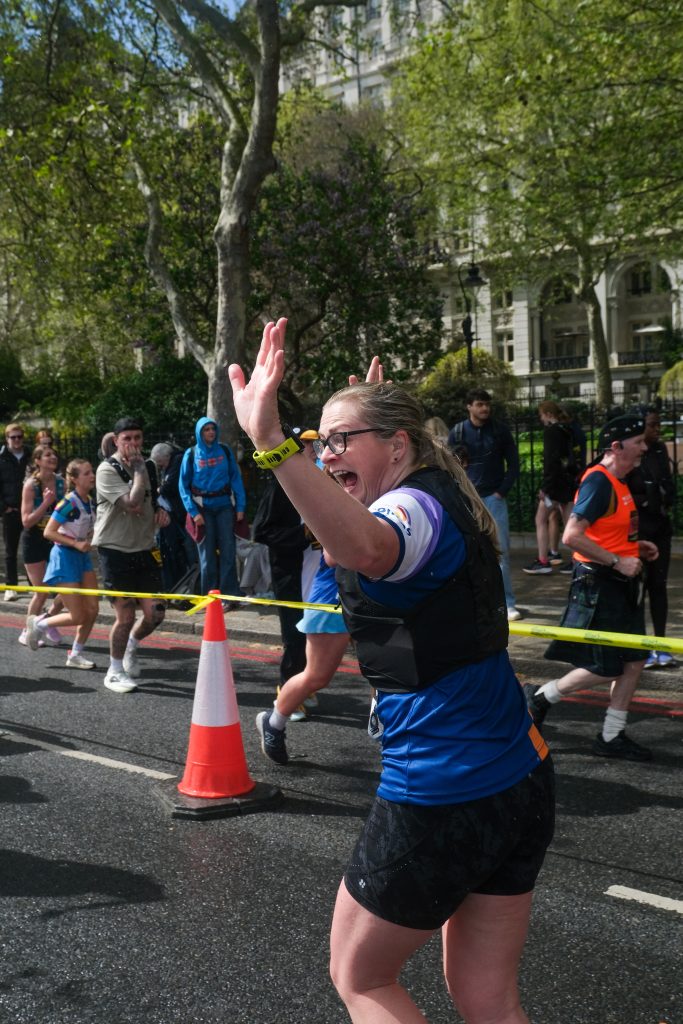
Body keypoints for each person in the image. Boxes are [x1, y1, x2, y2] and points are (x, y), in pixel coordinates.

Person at [230, 320, 554, 1024]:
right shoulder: (434, 489)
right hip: (517, 776)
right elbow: (358, 516)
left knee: (361, 978)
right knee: (487, 997)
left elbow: (368, 549)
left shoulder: (405, 509)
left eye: (340, 439)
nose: (325, 454)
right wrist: (357, 433)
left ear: (400, 445)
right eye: (321, 440)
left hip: (444, 789)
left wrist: (270, 442)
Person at [526, 414, 658, 762]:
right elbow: (571, 536)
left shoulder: (620, 481)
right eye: (639, 442)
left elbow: (603, 532)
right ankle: (541, 697)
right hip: (600, 584)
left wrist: (634, 547)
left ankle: (611, 735)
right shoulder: (599, 482)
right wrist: (617, 561)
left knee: (634, 660)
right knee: (608, 665)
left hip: (619, 584)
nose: (645, 447)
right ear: (617, 447)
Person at [93, 417, 169, 694]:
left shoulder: (148, 466)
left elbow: (151, 499)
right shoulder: (106, 470)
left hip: (145, 548)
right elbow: (132, 502)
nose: (134, 444)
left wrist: (162, 511)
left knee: (156, 614)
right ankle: (114, 671)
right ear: (116, 441)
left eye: (138, 438)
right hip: (115, 551)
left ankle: (132, 646)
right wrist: (138, 469)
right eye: (128, 439)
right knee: (124, 617)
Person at [447, 388, 522, 620]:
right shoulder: (458, 432)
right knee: (466, 552)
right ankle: (474, 601)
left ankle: (506, 602)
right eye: (479, 404)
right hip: (467, 499)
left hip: (493, 498)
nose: (485, 408)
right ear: (469, 406)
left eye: (487, 404)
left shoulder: (499, 431)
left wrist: (501, 492)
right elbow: (449, 465)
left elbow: (514, 464)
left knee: (501, 552)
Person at [25, 459, 99, 669]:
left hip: (81, 558)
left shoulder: (90, 500)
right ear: (74, 479)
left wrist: (89, 537)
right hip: (64, 558)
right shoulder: (68, 502)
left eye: (91, 471)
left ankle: (75, 654)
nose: (92, 476)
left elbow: (84, 527)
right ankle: (39, 623)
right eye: (86, 473)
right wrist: (76, 542)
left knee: (92, 610)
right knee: (78, 615)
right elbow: (49, 531)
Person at [626, 410, 676, 669]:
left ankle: (660, 645)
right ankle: (638, 647)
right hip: (639, 531)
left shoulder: (658, 451)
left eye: (658, 424)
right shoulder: (633, 453)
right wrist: (645, 499)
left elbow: (668, 485)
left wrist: (663, 496)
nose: (658, 428)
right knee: (637, 589)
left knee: (659, 585)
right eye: (652, 425)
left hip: (660, 528)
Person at [179, 416, 246, 607]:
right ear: (199, 433)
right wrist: (193, 513)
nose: (210, 432)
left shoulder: (224, 450)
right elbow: (183, 486)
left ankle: (229, 595)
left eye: (212, 429)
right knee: (206, 555)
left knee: (228, 551)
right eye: (206, 429)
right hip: (202, 509)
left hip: (225, 506)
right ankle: (210, 597)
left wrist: (240, 507)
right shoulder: (191, 454)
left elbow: (236, 479)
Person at [19, 444, 67, 646]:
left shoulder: (60, 482)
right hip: (34, 539)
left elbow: (65, 512)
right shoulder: (31, 485)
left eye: (54, 454)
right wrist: (46, 503)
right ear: (37, 461)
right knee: (42, 591)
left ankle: (46, 621)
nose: (52, 457)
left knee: (66, 589)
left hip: (54, 538)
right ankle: (27, 631)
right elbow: (27, 521)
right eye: (47, 455)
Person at [523, 401, 577, 574]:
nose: (540, 418)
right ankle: (577, 559)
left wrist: (545, 487)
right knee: (570, 522)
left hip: (554, 485)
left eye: (541, 415)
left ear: (547, 414)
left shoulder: (551, 432)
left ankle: (543, 560)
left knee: (540, 519)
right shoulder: (567, 430)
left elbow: (550, 461)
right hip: (567, 481)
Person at [149, 441, 197, 591]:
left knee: (190, 550)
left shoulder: (177, 462)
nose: (160, 467)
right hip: (176, 515)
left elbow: (169, 487)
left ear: (166, 457)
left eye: (160, 463)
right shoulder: (170, 465)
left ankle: (194, 582)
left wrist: (160, 488)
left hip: (185, 514)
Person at [1, 422, 31, 602]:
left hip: (29, 510)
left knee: (31, 549)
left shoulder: (30, 456)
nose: (17, 440)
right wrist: (4, 507)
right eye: (13, 437)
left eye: (20, 436)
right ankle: (11, 586)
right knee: (11, 551)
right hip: (11, 510)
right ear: (7, 439)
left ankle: (34, 585)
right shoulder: (1, 458)